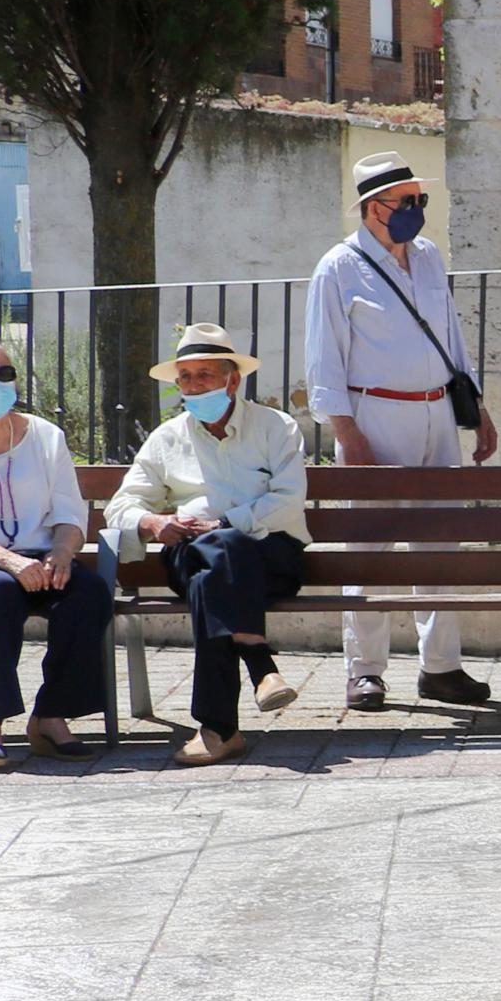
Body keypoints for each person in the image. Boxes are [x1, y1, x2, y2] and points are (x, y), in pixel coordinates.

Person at [304, 151, 497, 713]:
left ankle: (441, 667)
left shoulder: (430, 258)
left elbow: (452, 337)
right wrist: (348, 433)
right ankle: (364, 670)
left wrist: (476, 408)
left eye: (420, 200)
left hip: (438, 412)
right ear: (372, 208)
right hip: (375, 416)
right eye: (406, 201)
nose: (416, 210)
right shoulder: (337, 268)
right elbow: (324, 361)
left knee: (440, 543)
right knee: (368, 548)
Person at [104, 324, 310, 767]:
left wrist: (225, 523)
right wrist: (154, 521)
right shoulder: (166, 437)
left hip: (269, 557)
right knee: (213, 559)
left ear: (232, 379)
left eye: (205, 375)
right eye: (186, 377)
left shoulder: (276, 426)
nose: (194, 386)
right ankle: (259, 664)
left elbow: (289, 499)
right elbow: (120, 507)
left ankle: (221, 729)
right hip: (189, 550)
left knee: (214, 568)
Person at [0, 333, 112, 768]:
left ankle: (51, 716)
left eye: (3, 373)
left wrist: (63, 554)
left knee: (88, 594)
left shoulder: (47, 436)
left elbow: (69, 510)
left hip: (38, 556)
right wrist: (8, 561)